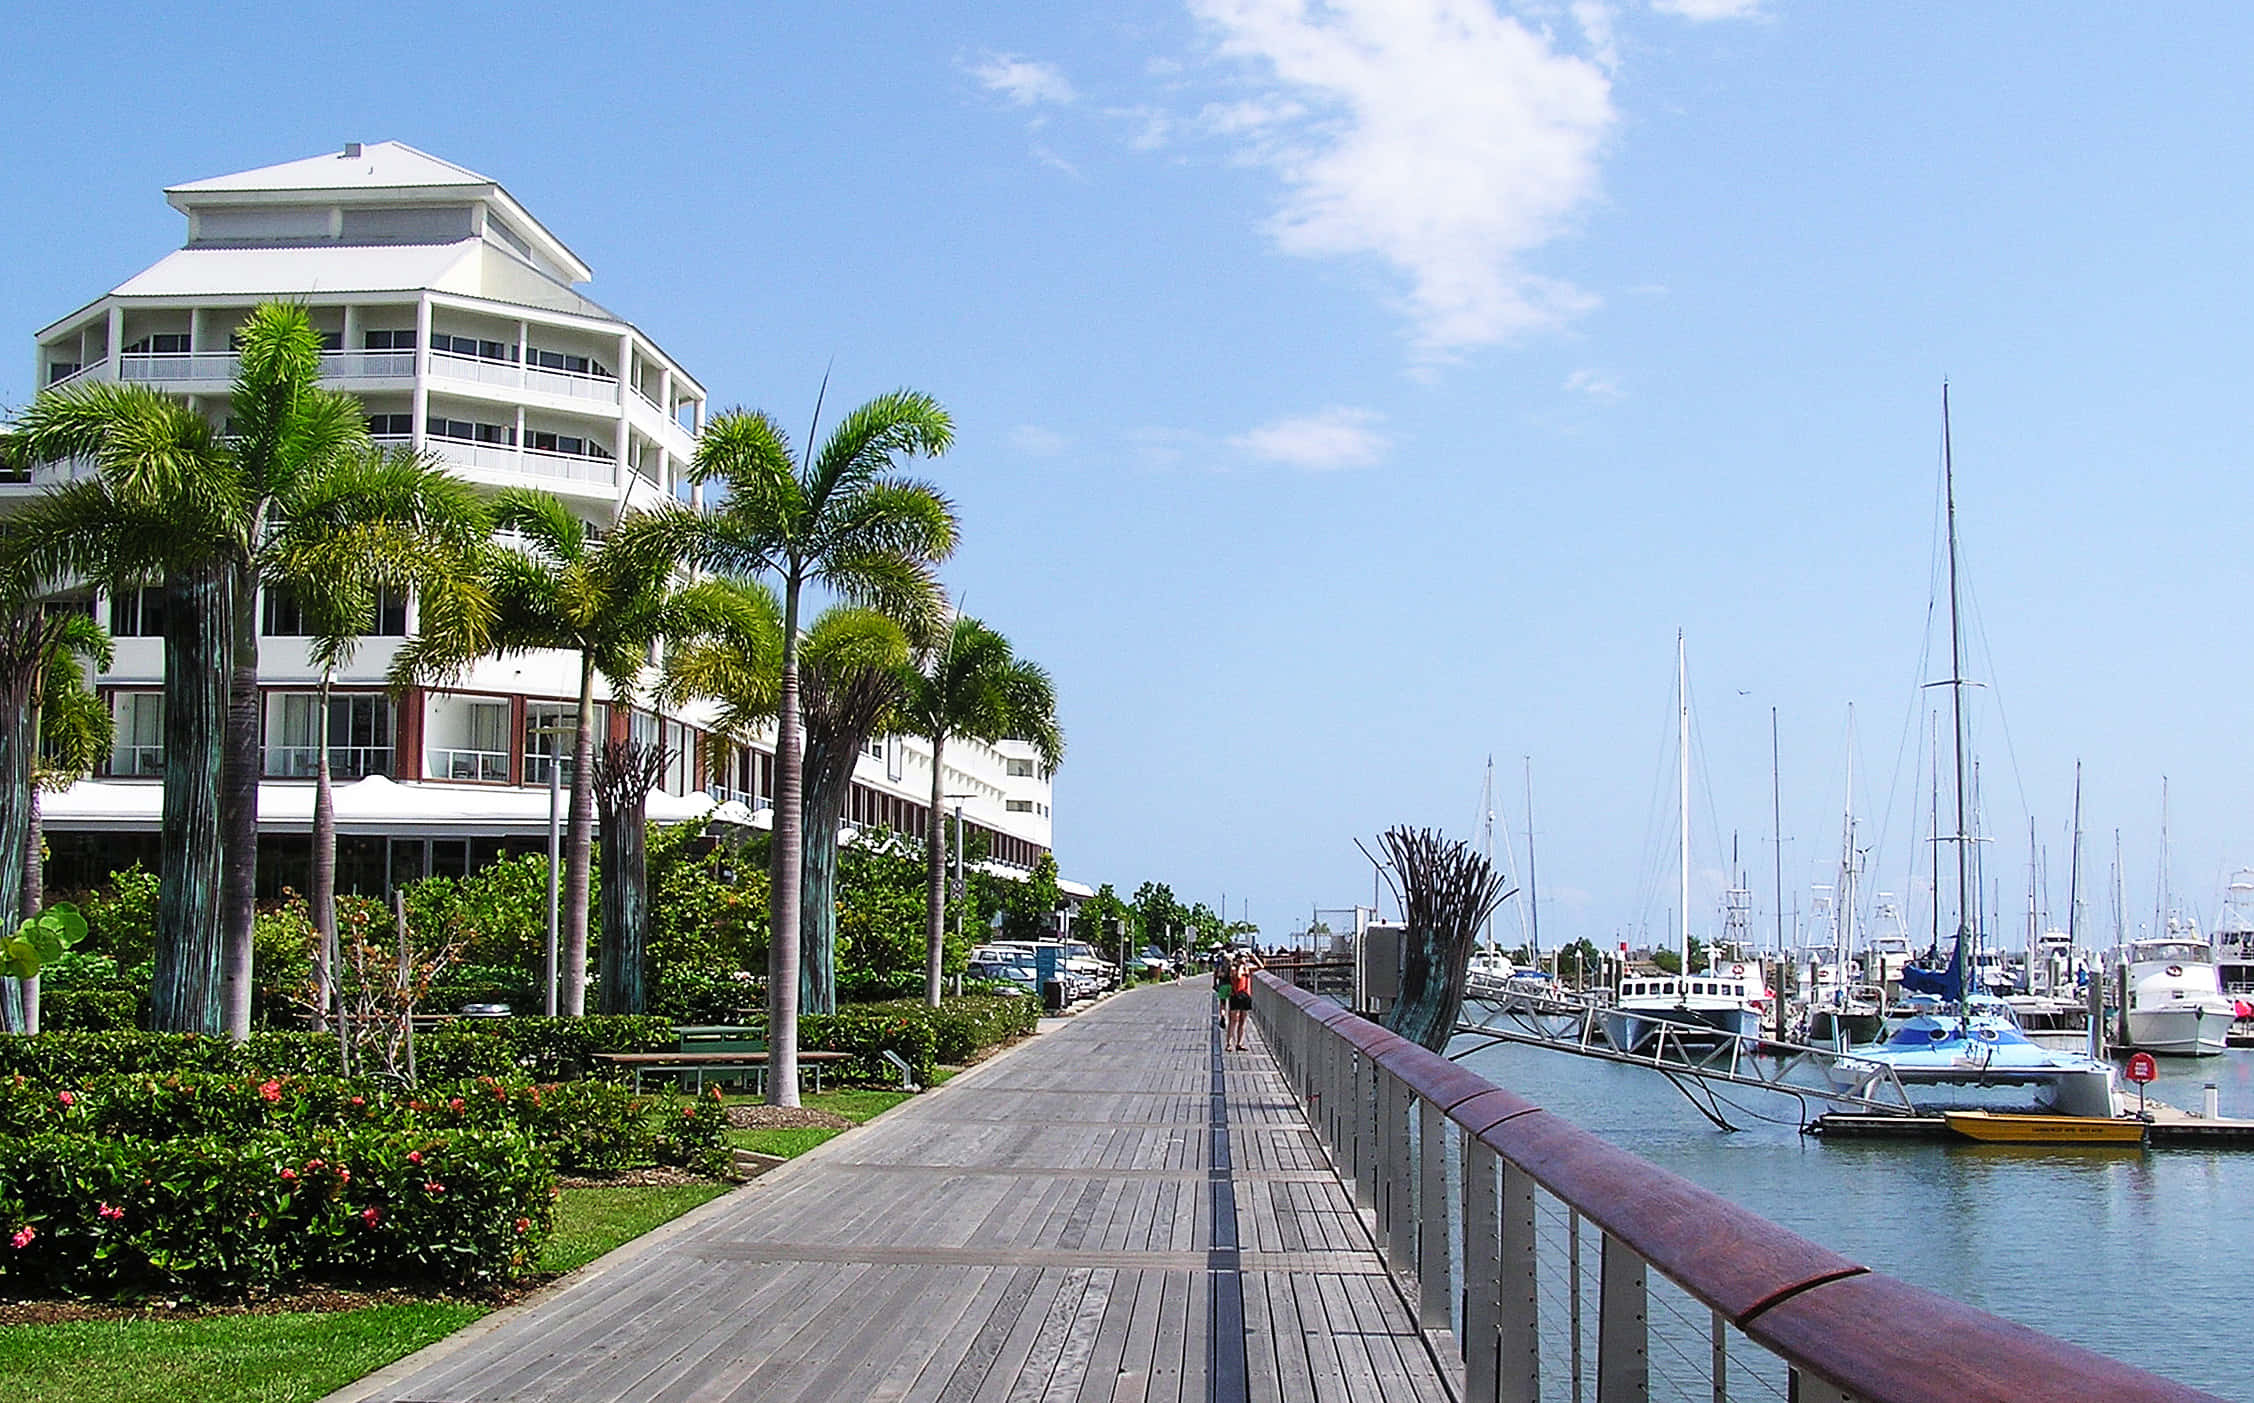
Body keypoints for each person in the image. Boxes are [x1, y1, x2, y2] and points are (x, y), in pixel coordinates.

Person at [1225, 951, 1262, 1052]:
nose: (1245, 959)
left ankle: (1240, 1043)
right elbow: (1238, 977)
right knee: (1233, 1020)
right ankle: (1229, 1043)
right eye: (1243, 957)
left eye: (1246, 958)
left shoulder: (1247, 968)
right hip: (1236, 995)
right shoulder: (1234, 968)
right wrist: (1240, 966)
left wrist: (1253, 957)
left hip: (1246, 995)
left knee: (1243, 1020)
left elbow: (1261, 966)